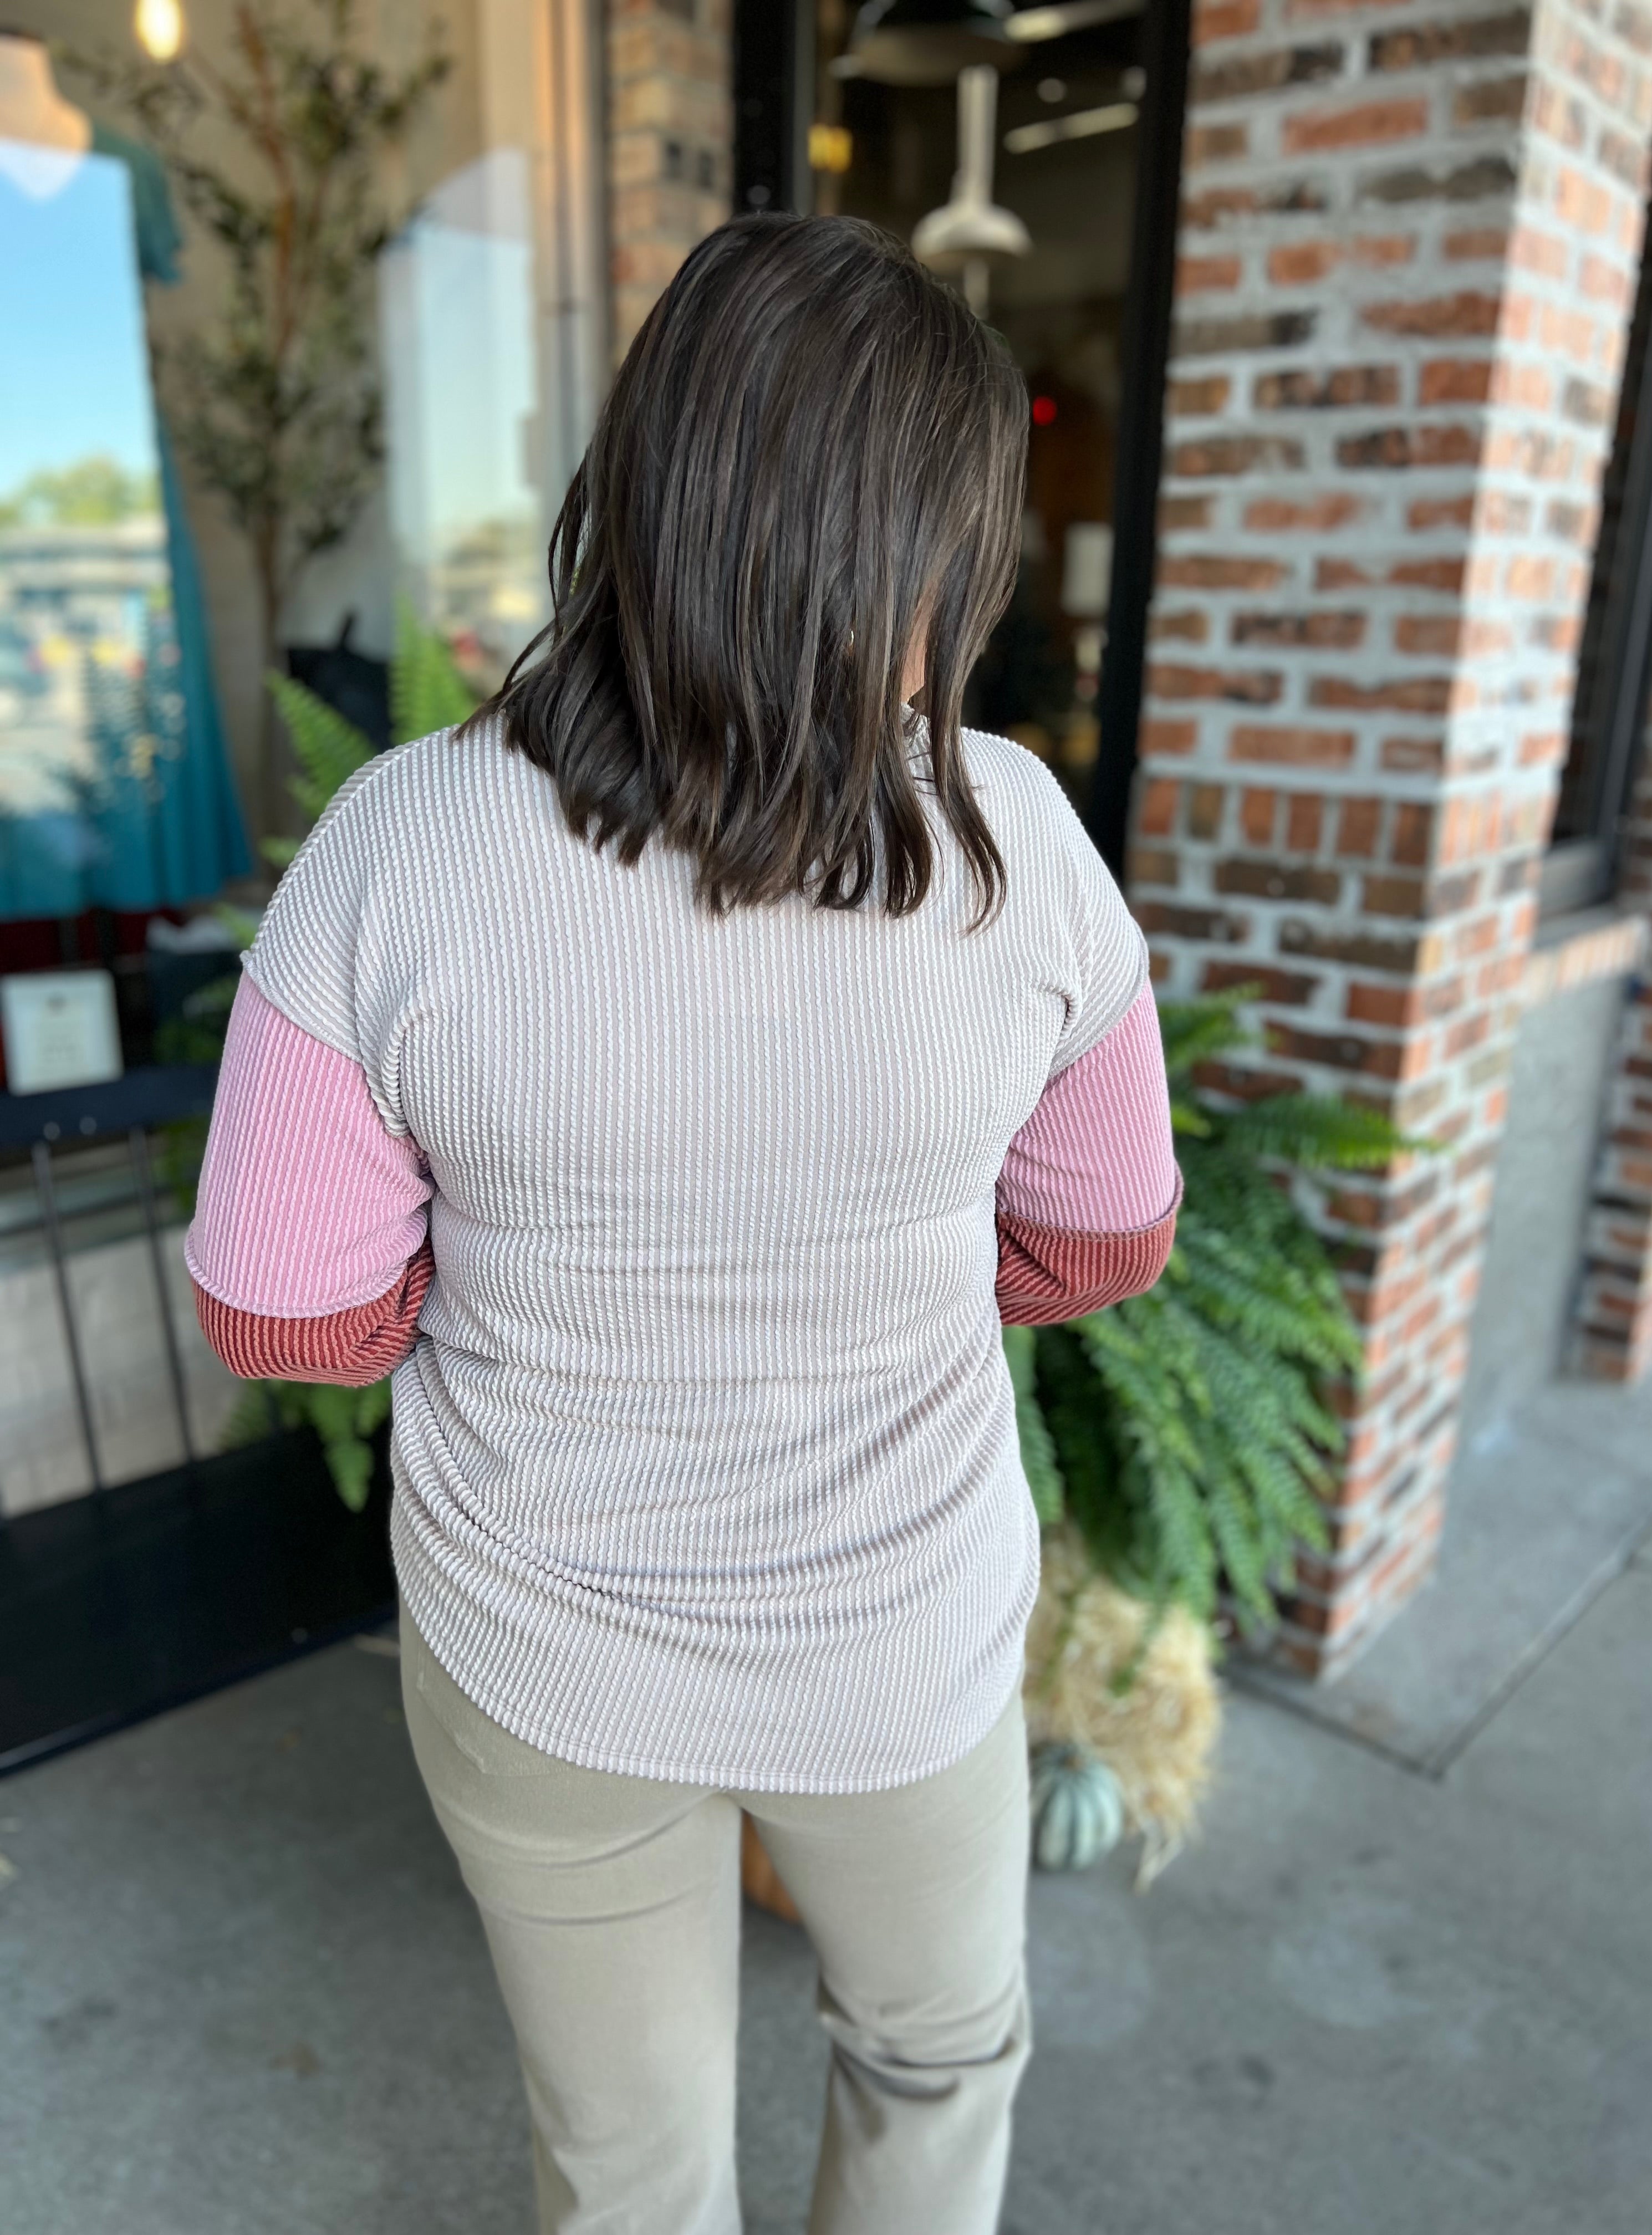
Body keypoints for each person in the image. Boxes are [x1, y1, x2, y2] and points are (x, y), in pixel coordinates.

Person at [186, 215, 1180, 2235]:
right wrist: (866, 1260)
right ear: (928, 553)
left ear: (643, 489)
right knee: (933, 2054)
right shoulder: (1016, 848)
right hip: (897, 1637)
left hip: (546, 1652)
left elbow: (290, 1316)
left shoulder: (400, 844)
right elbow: (1105, 1246)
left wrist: (537, 1272)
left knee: (624, 2169)